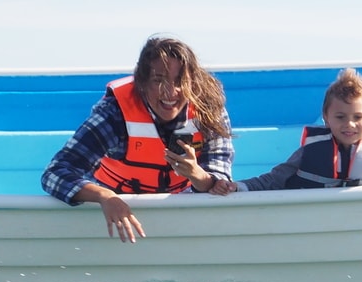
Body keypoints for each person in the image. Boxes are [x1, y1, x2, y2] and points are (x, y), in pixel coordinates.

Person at [41, 37, 234, 242]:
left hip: (181, 204)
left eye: (179, 82)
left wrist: (199, 176)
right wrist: (104, 196)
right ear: (142, 82)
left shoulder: (208, 109)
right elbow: (54, 173)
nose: (170, 92)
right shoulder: (114, 114)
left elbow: (219, 176)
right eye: (158, 80)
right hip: (116, 203)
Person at [215, 69, 362, 195]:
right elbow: (274, 179)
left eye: (358, 117)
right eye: (340, 117)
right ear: (326, 117)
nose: (349, 124)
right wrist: (239, 187)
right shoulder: (309, 152)